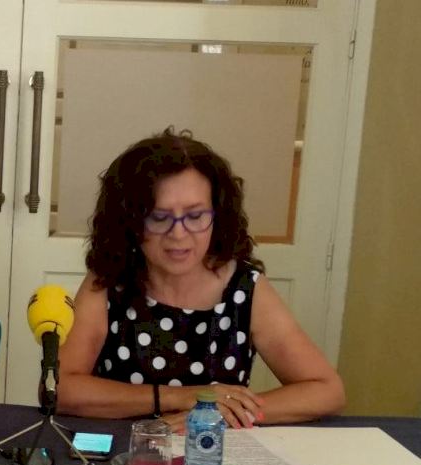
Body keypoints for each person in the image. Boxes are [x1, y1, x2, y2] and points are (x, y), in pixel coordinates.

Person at [56, 128, 345, 431]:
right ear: (130, 220)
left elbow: (327, 390)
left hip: (212, 450)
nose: (178, 234)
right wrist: (182, 397)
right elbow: (60, 389)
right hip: (126, 448)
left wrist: (221, 412)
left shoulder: (245, 287)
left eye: (195, 216)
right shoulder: (108, 281)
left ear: (218, 215)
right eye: (159, 217)